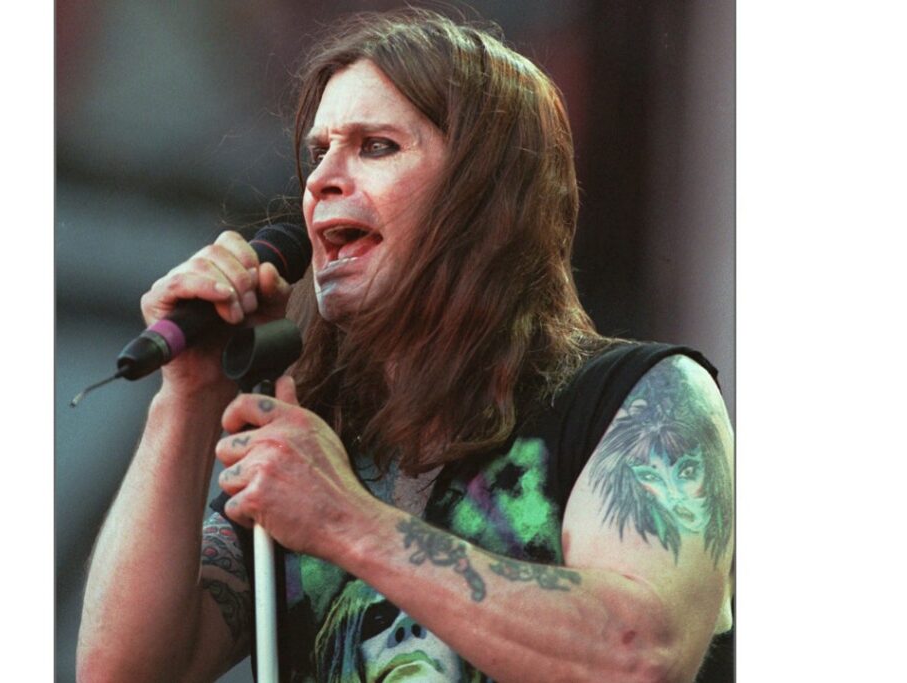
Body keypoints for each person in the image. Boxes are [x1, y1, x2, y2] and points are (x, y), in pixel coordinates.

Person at [76, 9, 734, 683]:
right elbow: (122, 671)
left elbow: (638, 654)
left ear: (481, 195)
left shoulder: (642, 398)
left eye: (376, 146)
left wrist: (344, 521)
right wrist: (187, 395)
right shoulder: (319, 441)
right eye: (318, 151)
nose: (321, 179)